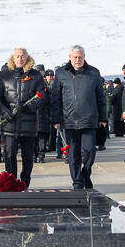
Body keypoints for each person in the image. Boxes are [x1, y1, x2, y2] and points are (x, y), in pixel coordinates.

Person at [50, 46, 107, 190]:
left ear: (84, 56)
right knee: (73, 153)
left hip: (89, 119)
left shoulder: (93, 73)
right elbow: (55, 98)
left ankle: (85, 175)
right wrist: (56, 119)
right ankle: (77, 182)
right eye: (75, 57)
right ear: (70, 57)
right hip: (69, 120)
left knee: (89, 151)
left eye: (80, 57)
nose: (77, 60)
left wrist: (103, 117)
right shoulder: (61, 73)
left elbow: (101, 97)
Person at [0, 48, 46, 188]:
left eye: (23, 56)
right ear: (13, 57)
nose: (20, 59)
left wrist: (28, 107)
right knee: (9, 154)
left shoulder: (35, 75)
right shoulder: (4, 75)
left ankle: (24, 183)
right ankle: (11, 183)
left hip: (28, 124)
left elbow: (41, 96)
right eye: (17, 56)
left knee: (28, 157)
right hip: (9, 123)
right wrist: (5, 112)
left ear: (27, 58)